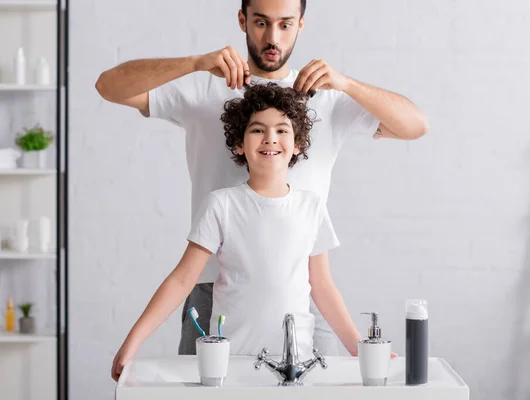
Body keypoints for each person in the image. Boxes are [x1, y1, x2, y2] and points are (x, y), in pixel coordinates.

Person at [95, 0, 428, 358]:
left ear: (301, 24)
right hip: (211, 286)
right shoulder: (204, 89)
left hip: (305, 289)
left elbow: (415, 126)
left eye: (285, 25)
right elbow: (108, 86)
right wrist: (194, 64)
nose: (272, 37)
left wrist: (347, 84)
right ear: (242, 20)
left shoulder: (329, 98)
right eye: (261, 22)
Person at [112, 83, 369, 381]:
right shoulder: (221, 205)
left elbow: (322, 286)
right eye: (258, 130)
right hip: (230, 362)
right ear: (239, 144)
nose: (270, 138)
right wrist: (134, 341)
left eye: (282, 130)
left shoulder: (311, 207)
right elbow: (183, 279)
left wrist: (358, 348)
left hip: (296, 362)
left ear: (298, 144)